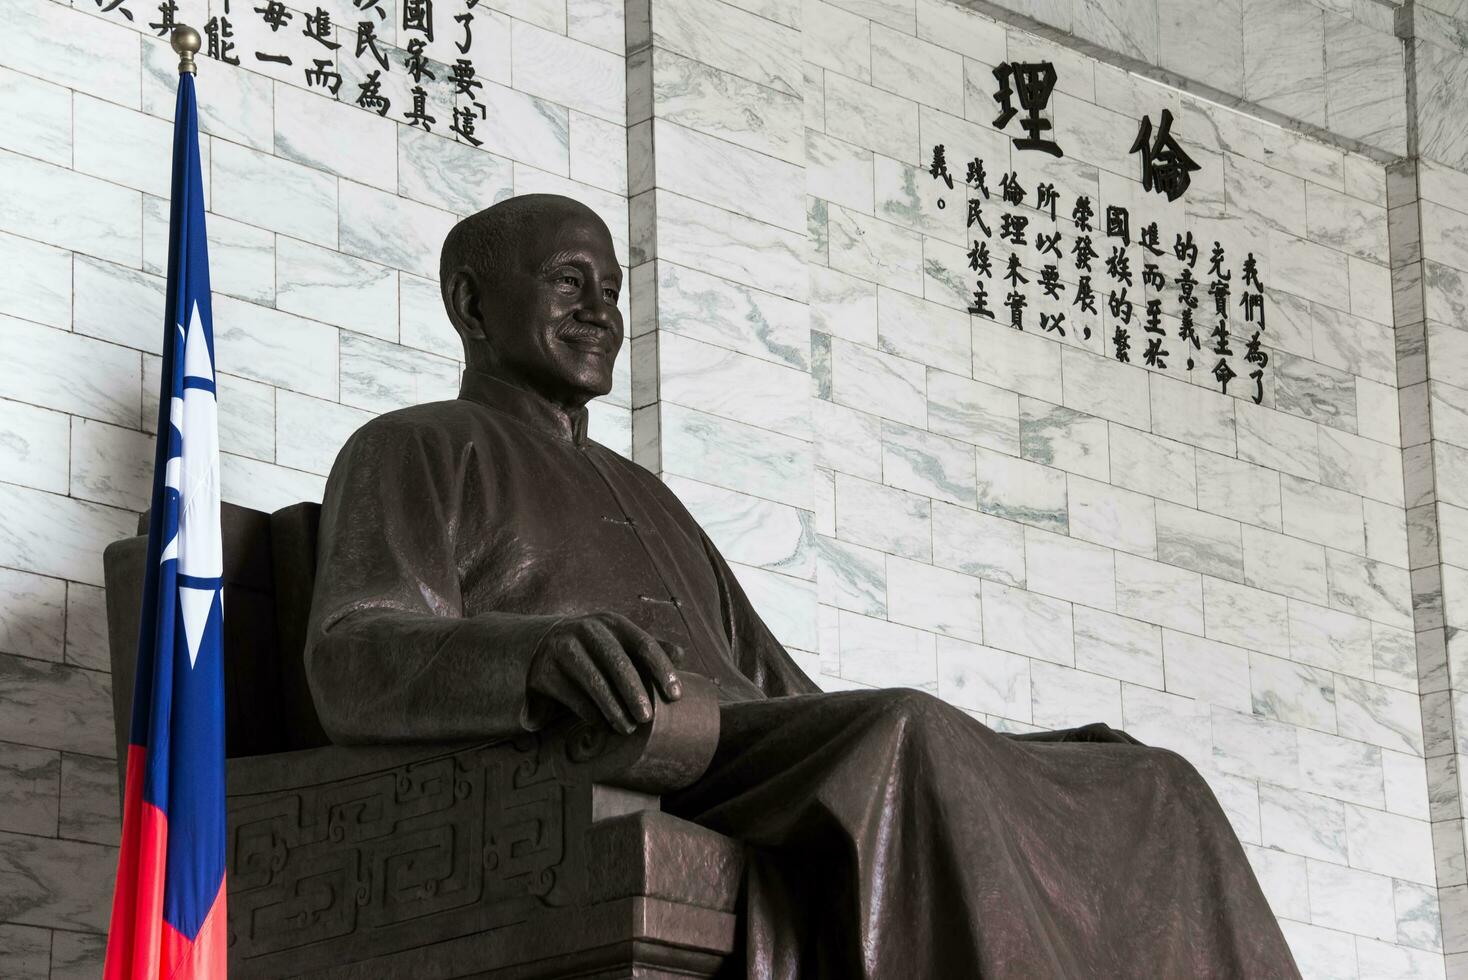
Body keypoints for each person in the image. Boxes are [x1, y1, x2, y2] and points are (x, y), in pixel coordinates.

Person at [305, 193, 1300, 978]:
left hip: (739, 746)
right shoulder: (414, 448)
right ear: (473, 302)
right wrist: (533, 654)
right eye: (569, 282)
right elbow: (355, 649)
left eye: (610, 286)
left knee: (1151, 782)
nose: (601, 311)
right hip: (627, 752)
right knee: (907, 728)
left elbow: (792, 698)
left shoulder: (646, 494)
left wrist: (1014, 752)